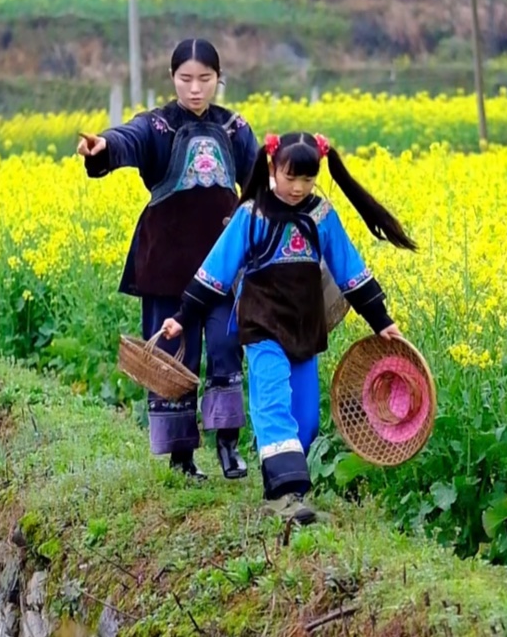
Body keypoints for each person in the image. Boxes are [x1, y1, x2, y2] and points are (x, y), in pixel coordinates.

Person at [159, 131, 416, 524]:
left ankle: (282, 483)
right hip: (262, 325)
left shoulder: (322, 216)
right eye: (289, 177)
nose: (297, 188)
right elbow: (216, 269)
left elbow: (350, 269)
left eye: (307, 180)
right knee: (273, 401)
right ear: (272, 169)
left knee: (306, 419)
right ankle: (285, 497)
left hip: (305, 328)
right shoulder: (251, 215)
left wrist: (382, 321)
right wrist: (182, 316)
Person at [77, 39, 258, 481]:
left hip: (221, 268)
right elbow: (127, 139)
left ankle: (229, 446)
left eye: (205, 79)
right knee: (173, 361)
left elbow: (260, 181)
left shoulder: (234, 128)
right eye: (186, 79)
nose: (195, 89)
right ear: (172, 79)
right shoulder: (157, 125)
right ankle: (181, 458)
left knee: (224, 347)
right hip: (166, 266)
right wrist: (103, 147)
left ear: (219, 79)